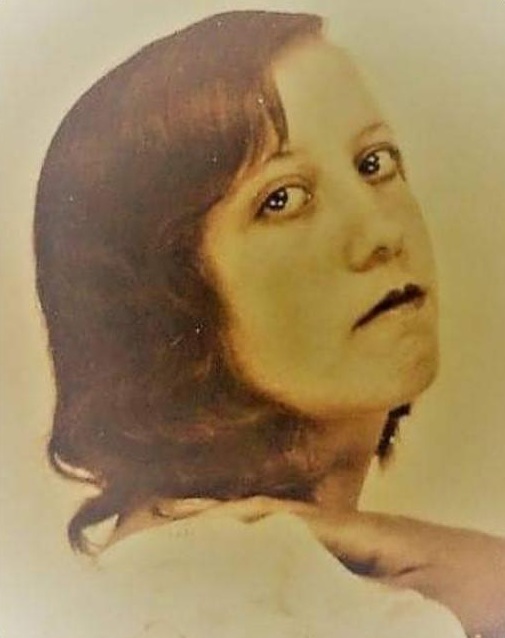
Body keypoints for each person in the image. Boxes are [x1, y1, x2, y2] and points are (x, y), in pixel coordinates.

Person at [34, 10, 504, 638]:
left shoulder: (288, 585)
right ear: (164, 303)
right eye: (282, 199)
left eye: (374, 163)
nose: (380, 232)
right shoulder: (224, 602)